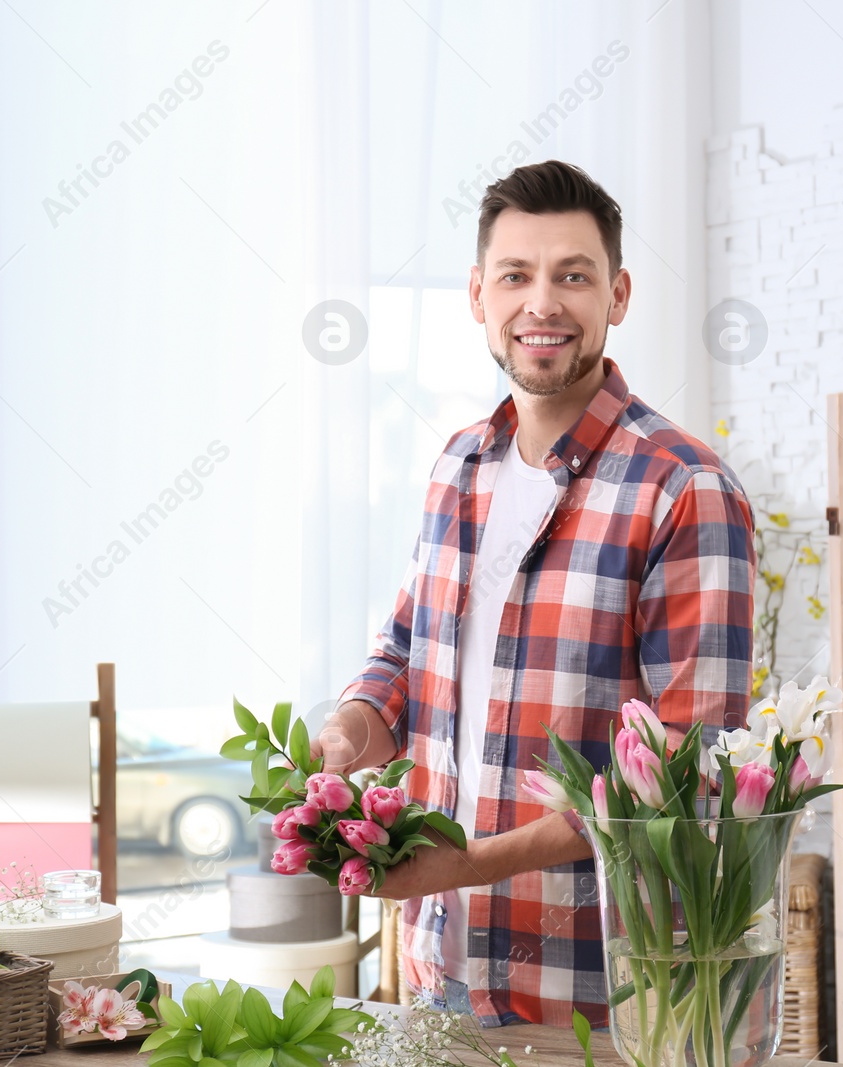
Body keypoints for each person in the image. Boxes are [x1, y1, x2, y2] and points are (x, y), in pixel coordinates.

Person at [311, 159, 756, 1028]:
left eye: (573, 275)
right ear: (479, 294)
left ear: (617, 295)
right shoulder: (459, 464)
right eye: (516, 275)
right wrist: (349, 729)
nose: (542, 303)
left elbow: (683, 771)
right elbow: (404, 654)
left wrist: (471, 862)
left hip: (602, 989)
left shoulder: (684, 487)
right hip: (440, 968)